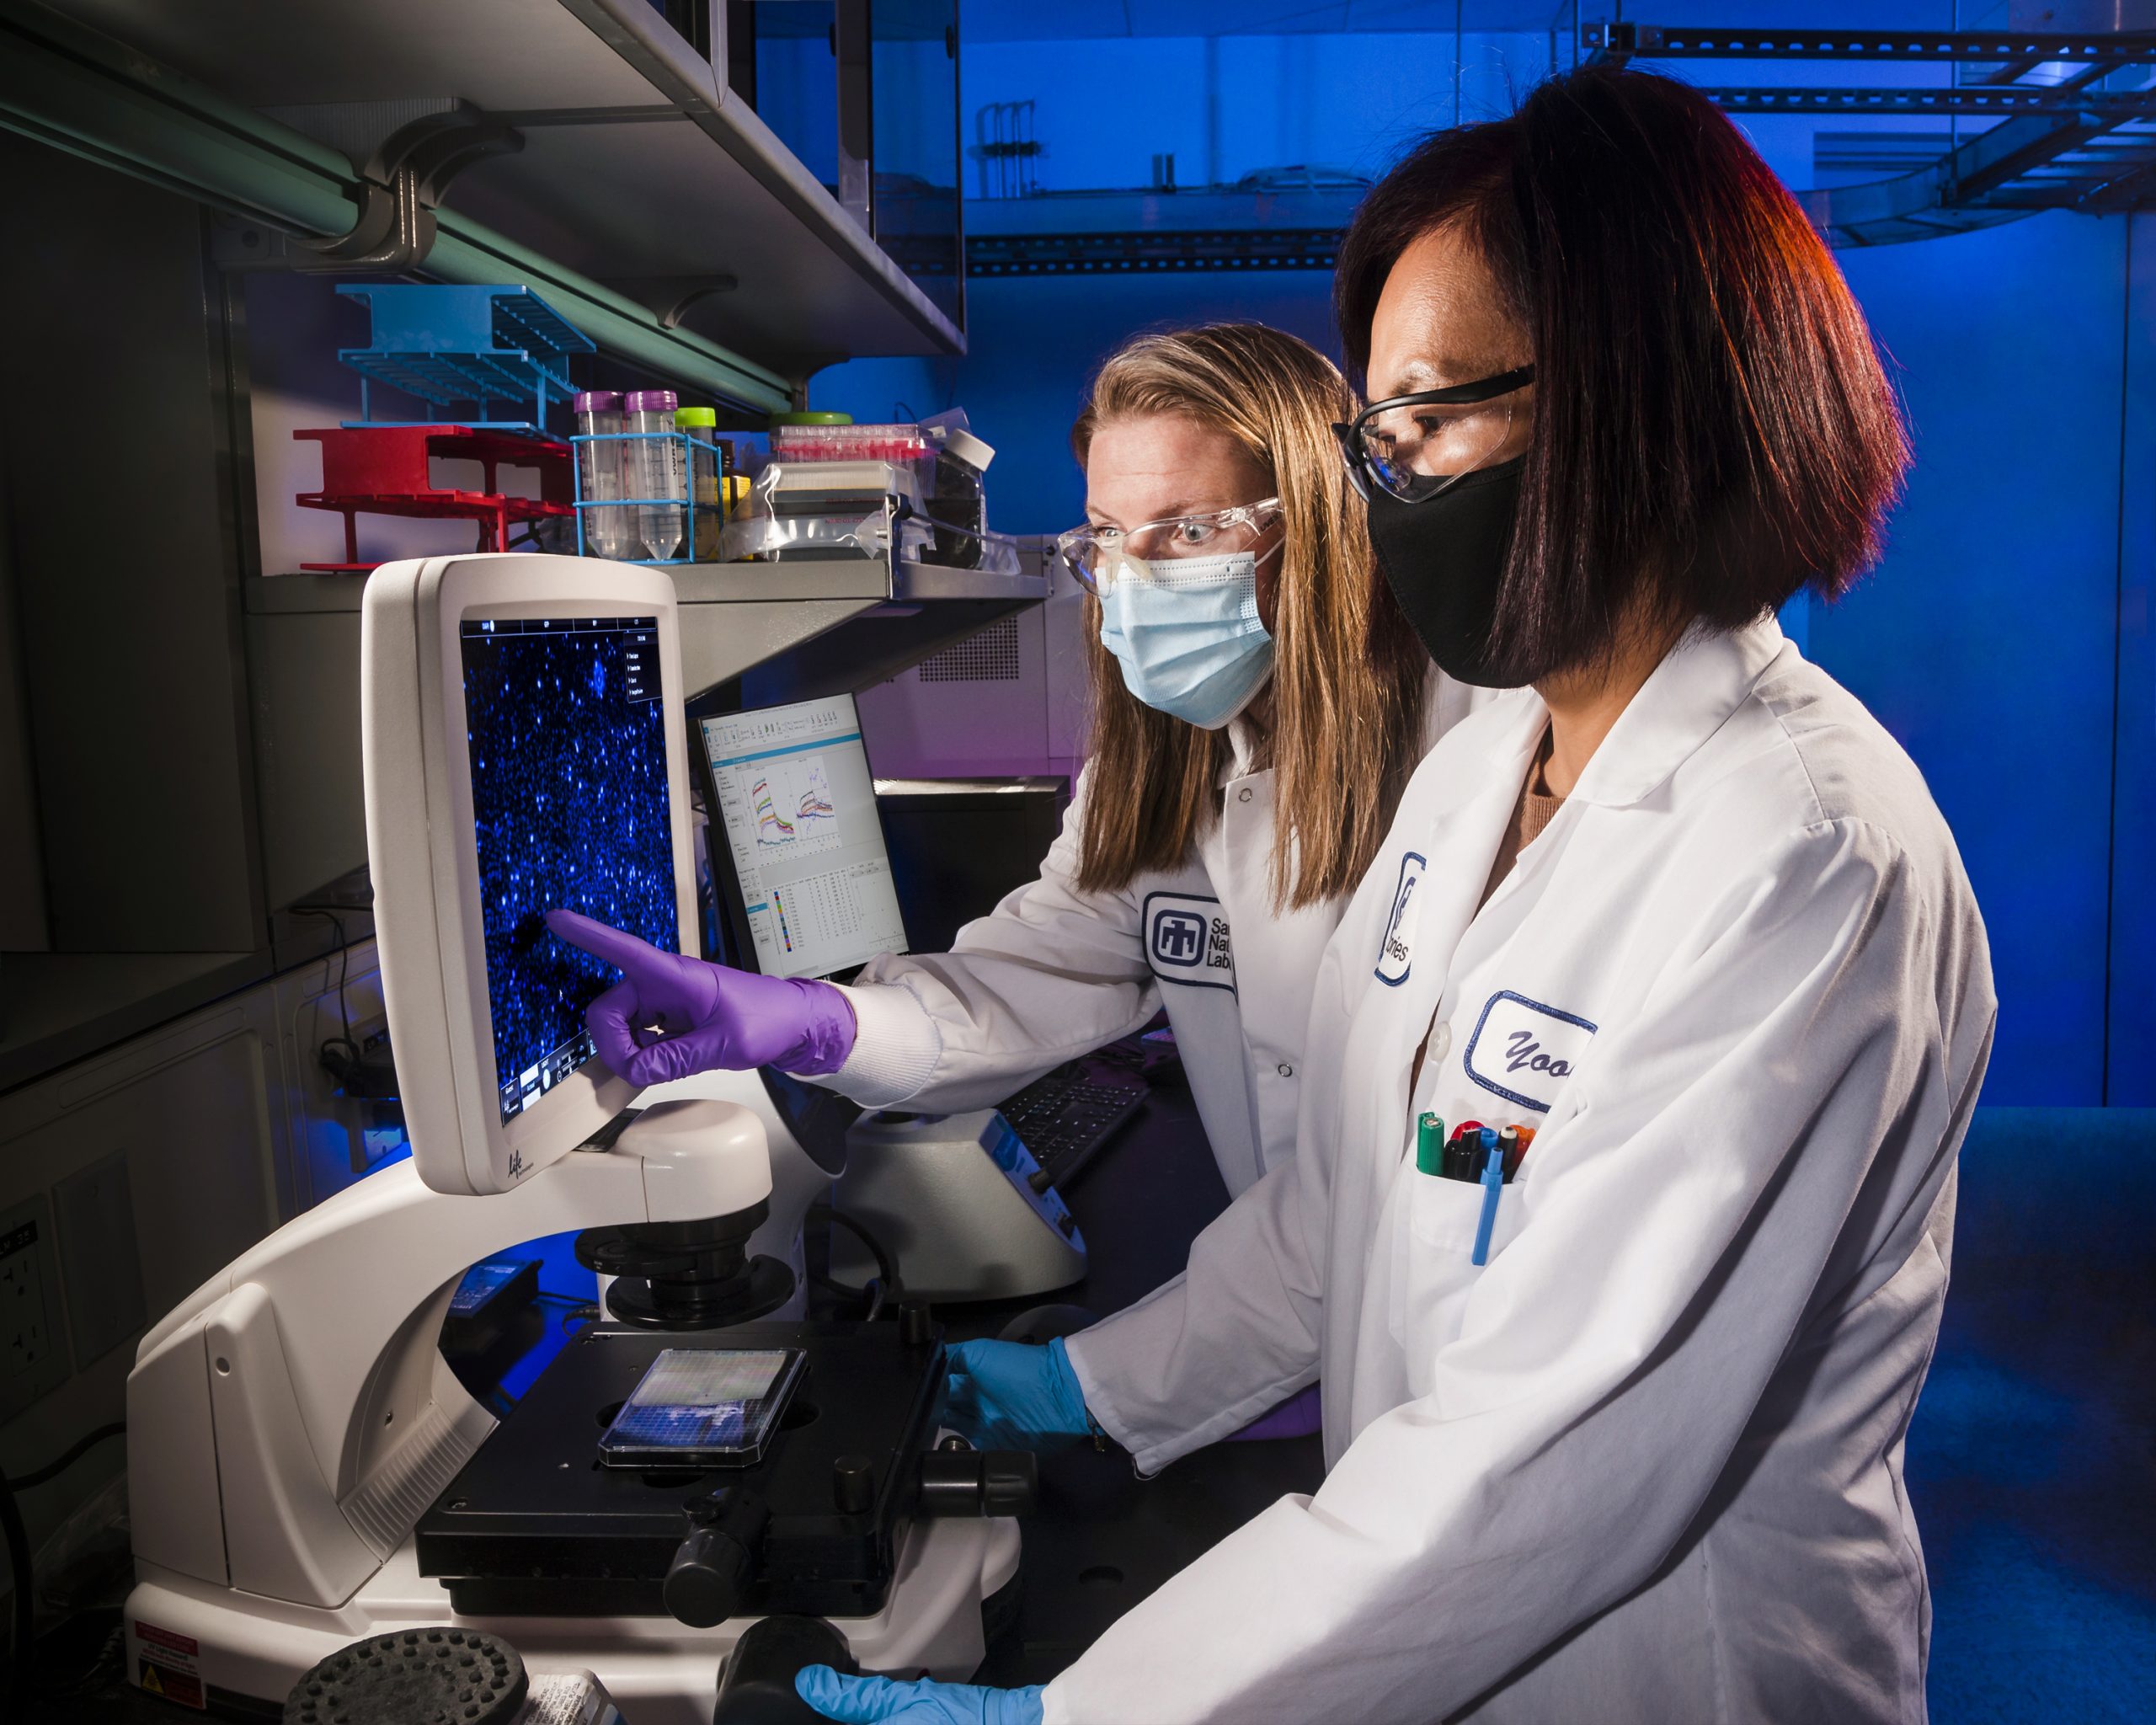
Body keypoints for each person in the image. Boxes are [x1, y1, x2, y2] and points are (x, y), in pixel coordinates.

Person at [794, 64, 1995, 1725]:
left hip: (1665, 1671)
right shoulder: (1482, 763)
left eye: (1428, 414)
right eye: (1379, 426)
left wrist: (1094, 1716)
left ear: (1634, 404)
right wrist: (1085, 1383)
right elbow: (1345, 1204)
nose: (1389, 477)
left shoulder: (1798, 850)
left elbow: (1552, 1449)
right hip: (1430, 1638)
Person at [552, 324, 1471, 1217]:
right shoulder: (1149, 773)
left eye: (1188, 532)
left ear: (1318, 529)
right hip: (1289, 1289)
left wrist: (1090, 1381)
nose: (1132, 577)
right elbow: (1038, 975)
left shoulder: (1464, 746)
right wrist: (821, 1020)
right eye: (1108, 536)